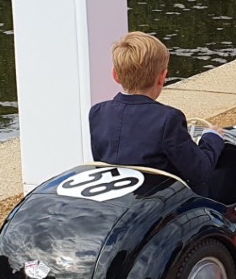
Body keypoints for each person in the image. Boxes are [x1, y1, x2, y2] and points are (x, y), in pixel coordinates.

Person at [89, 32, 226, 197]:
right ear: (162, 77)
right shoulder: (169, 119)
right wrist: (211, 138)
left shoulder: (97, 113)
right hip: (160, 201)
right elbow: (199, 170)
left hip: (117, 198)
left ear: (115, 76)